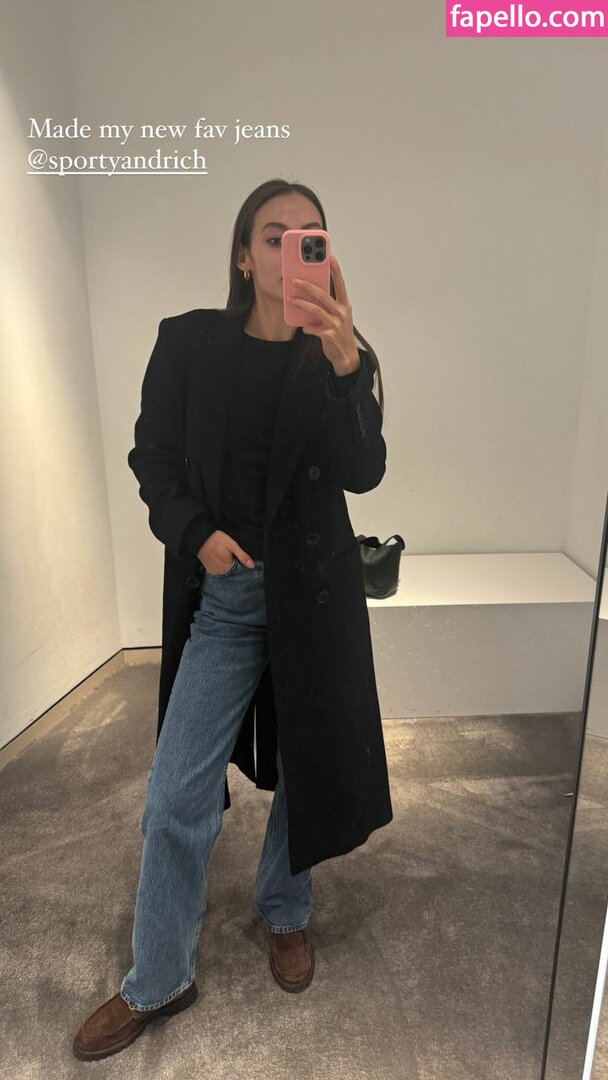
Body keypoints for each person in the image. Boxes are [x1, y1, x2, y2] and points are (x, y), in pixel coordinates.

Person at [73, 178, 393, 1062]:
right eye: (274, 233)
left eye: (310, 234)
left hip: (314, 600)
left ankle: (285, 910)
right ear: (245, 255)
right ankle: (158, 975)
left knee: (305, 770)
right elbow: (153, 457)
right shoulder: (188, 344)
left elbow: (364, 472)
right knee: (174, 792)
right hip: (229, 594)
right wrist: (196, 534)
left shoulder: (344, 355)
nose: (293, 248)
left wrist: (345, 373)